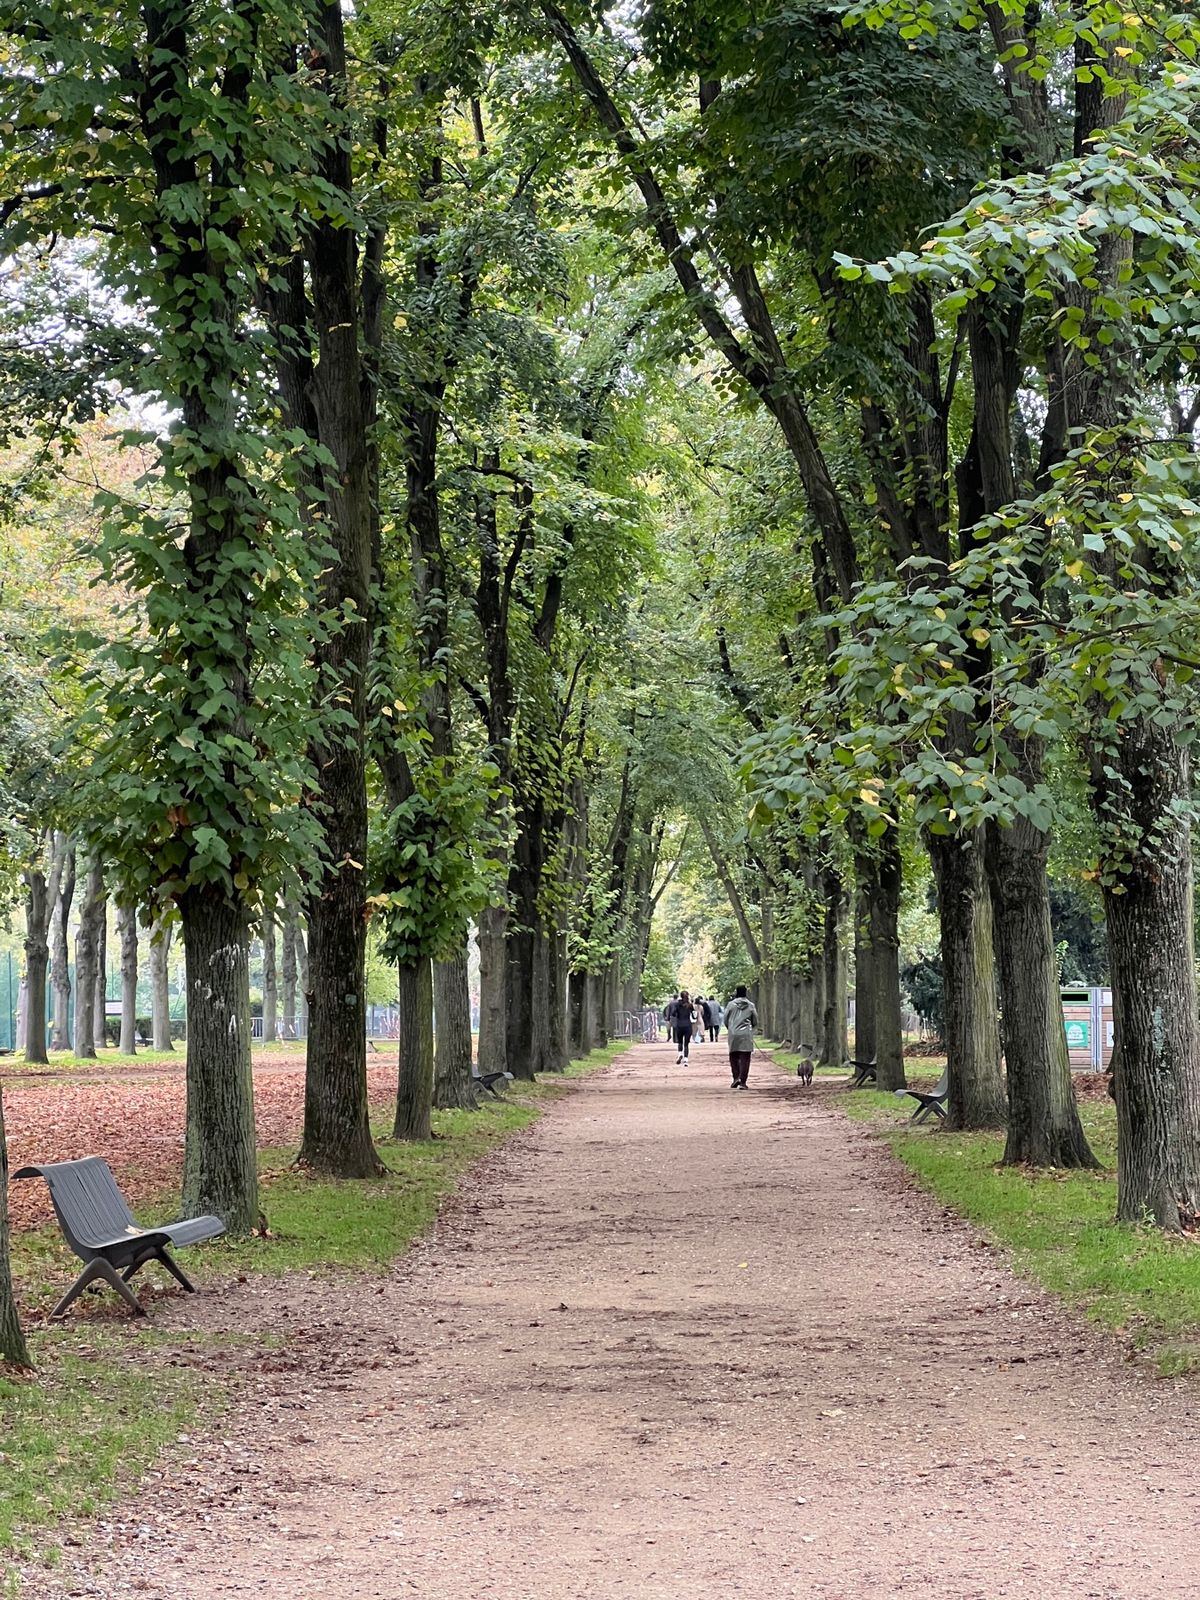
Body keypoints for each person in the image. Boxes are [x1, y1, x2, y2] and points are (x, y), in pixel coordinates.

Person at [724, 985, 758, 1090]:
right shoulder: (751, 1005)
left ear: (736, 993)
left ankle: (736, 1077)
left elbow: (725, 1019)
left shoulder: (730, 1005)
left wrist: (730, 1028)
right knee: (745, 1058)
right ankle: (743, 1082)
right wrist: (751, 1027)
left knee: (733, 1056)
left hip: (733, 1033)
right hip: (746, 1034)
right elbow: (755, 1020)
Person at [667, 990, 695, 1064]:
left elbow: (673, 1013)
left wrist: (677, 1015)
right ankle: (686, 1059)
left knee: (680, 1042)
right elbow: (694, 1014)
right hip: (688, 1025)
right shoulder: (690, 1005)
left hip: (679, 1025)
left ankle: (680, 1054)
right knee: (686, 1043)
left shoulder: (677, 1004)